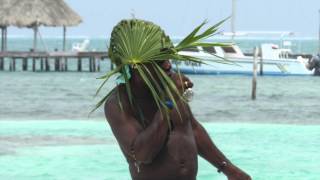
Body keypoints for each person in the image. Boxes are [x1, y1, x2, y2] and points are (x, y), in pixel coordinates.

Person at [104, 60, 251, 180]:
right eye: (159, 61)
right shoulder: (119, 104)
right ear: (136, 66)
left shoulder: (168, 85)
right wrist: (169, 101)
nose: (168, 65)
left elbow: (192, 128)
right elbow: (143, 155)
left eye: (168, 58)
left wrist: (229, 169)